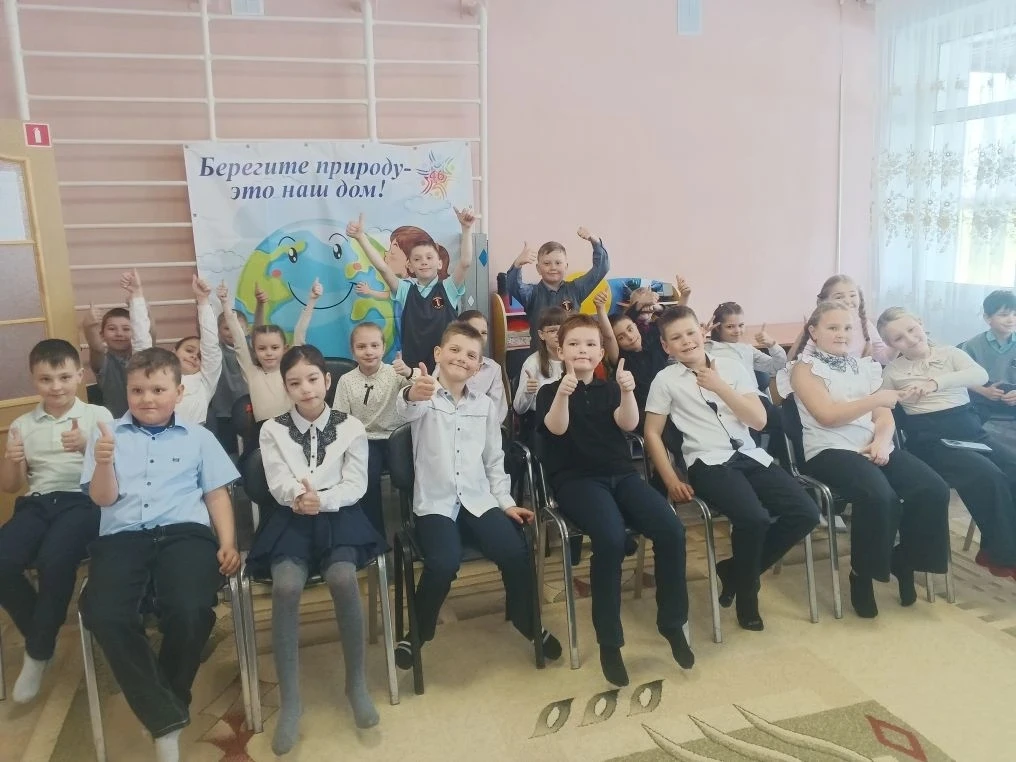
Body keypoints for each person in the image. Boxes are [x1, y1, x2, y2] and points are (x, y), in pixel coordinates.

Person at [79, 347, 240, 762]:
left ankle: (166, 704)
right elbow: (103, 499)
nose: (147, 398)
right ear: (126, 392)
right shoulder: (107, 434)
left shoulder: (199, 437)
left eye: (157, 389)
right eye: (137, 390)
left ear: (178, 392)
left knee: (191, 609)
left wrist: (228, 541)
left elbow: (216, 494)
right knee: (103, 613)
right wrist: (103, 462)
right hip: (122, 537)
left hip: (184, 535)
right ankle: (166, 715)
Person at [394, 323, 562, 671]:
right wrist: (412, 392)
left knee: (515, 550)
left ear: (478, 366)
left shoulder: (484, 405)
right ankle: (418, 634)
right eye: (454, 350)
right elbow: (405, 409)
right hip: (436, 504)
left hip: (478, 499)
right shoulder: (424, 396)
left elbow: (493, 460)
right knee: (443, 563)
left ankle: (526, 620)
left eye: (471, 355)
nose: (462, 358)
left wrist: (506, 503)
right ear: (438, 354)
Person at [537, 314, 693, 687]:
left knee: (671, 529)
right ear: (561, 350)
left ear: (600, 351)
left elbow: (629, 424)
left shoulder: (610, 388)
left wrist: (626, 392)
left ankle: (672, 623)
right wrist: (563, 393)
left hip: (621, 475)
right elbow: (556, 428)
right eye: (574, 344)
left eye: (591, 344)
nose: (583, 350)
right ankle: (610, 641)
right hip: (576, 481)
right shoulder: (549, 391)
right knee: (609, 540)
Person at [247, 344, 387, 753]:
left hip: (339, 513)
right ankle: (291, 701)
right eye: (295, 383)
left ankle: (355, 684)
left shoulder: (351, 427)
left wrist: (321, 500)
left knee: (342, 577)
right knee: (286, 586)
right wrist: (299, 496)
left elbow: (356, 484)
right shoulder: (272, 430)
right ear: (285, 388)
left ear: (327, 381)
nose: (305, 389)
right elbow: (276, 481)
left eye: (312, 379)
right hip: (290, 515)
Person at [643, 307, 819, 631]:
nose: (686, 341)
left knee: (806, 513)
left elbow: (759, 421)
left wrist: (720, 386)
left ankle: (735, 571)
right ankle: (748, 597)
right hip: (707, 462)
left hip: (750, 455)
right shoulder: (665, 380)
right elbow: (652, 433)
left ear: (702, 332)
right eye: (676, 338)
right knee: (754, 519)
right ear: (666, 346)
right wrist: (670, 479)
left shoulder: (732, 367)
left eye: (690, 333)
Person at [781, 301, 951, 618]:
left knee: (932, 488)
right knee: (879, 496)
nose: (842, 334)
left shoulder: (865, 366)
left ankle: (904, 559)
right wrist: (875, 400)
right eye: (833, 327)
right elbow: (828, 416)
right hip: (829, 450)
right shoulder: (804, 369)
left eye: (848, 328)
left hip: (872, 445)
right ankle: (863, 574)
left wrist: (883, 443)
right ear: (814, 332)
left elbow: (884, 416)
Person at [0, 339, 112, 703]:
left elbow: (119, 470)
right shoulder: (23, 424)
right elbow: (11, 486)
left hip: (82, 501)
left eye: (64, 377)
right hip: (36, 504)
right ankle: (42, 636)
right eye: (46, 379)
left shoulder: (98, 415)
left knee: (54, 560)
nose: (56, 386)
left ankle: (36, 653)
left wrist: (87, 446)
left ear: (79, 375)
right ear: (34, 379)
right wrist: (12, 459)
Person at [879, 307, 1016, 578]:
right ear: (890, 344)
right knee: (988, 476)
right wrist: (898, 397)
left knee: (1012, 468)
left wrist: (934, 383)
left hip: (971, 431)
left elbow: (979, 376)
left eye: (911, 329)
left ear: (921, 323)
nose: (910, 339)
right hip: (932, 441)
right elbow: (882, 407)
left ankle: (992, 548)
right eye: (898, 338)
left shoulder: (950, 353)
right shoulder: (893, 371)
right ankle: (1005, 557)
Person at [347, 208, 477, 372]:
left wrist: (466, 228)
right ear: (410, 266)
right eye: (417, 259)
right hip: (412, 369)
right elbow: (383, 268)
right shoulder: (405, 290)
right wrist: (360, 237)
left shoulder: (448, 288)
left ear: (439, 263)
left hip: (445, 368)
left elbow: (465, 263)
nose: (424, 262)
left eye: (429, 257)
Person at [333, 322, 417, 537]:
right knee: (366, 477)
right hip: (366, 439)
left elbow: (424, 386)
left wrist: (409, 372)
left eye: (374, 345)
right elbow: (339, 418)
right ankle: (374, 535)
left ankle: (418, 525)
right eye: (361, 347)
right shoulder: (346, 381)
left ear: (383, 347)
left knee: (415, 472)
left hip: (397, 436)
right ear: (352, 351)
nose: (369, 352)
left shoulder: (395, 373)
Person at [125, 270, 223, 425]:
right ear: (174, 352)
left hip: (191, 438)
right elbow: (141, 342)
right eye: (189, 350)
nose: (194, 356)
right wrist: (137, 295)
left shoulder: (204, 382)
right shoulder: (154, 372)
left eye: (200, 357)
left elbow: (211, 347)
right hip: (150, 433)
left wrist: (203, 300)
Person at [219, 279, 317, 426]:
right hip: (263, 431)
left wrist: (312, 301)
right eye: (262, 348)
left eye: (275, 348)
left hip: (292, 428)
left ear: (285, 349)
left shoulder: (289, 372)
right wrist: (225, 303)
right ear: (254, 351)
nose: (269, 353)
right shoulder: (251, 372)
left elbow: (299, 334)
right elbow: (239, 340)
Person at [506, 228, 611, 347]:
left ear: (566, 267)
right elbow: (512, 288)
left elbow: (601, 268)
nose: (553, 267)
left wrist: (595, 241)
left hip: (570, 352)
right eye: (547, 263)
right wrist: (517, 264)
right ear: (538, 269)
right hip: (541, 354)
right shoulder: (531, 293)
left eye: (558, 263)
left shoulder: (576, 289)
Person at [81, 272, 155, 417]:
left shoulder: (143, 355)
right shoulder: (104, 362)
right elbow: (96, 347)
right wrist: (89, 326)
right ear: (102, 334)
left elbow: (150, 334)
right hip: (117, 423)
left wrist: (144, 308)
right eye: (112, 329)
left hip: (147, 420)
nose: (119, 333)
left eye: (126, 329)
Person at [207, 282, 266, 453]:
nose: (233, 332)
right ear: (218, 331)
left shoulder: (251, 349)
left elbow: (259, 328)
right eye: (227, 328)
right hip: (223, 411)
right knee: (228, 451)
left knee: (251, 449)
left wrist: (260, 304)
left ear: (246, 330)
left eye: (239, 328)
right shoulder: (216, 351)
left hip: (249, 409)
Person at [788, 275, 894, 365]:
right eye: (839, 297)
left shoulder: (865, 325)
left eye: (852, 295)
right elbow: (799, 362)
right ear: (823, 302)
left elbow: (884, 358)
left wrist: (896, 342)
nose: (848, 301)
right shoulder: (819, 327)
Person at [439, 310, 508, 424]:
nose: (479, 337)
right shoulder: (447, 362)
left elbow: (498, 412)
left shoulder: (493, 369)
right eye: (473, 331)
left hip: (481, 427)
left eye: (484, 333)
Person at [959, 289, 1016, 420]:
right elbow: (960, 377)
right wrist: (984, 391)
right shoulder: (972, 345)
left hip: (1013, 393)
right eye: (1004, 315)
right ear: (987, 318)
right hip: (983, 392)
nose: (1011, 320)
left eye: (1015, 314)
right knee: (968, 414)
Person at [513, 306, 567, 416]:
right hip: (540, 418)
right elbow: (518, 408)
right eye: (552, 331)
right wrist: (528, 391)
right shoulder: (532, 362)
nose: (558, 335)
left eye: (562, 330)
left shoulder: (574, 359)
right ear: (541, 334)